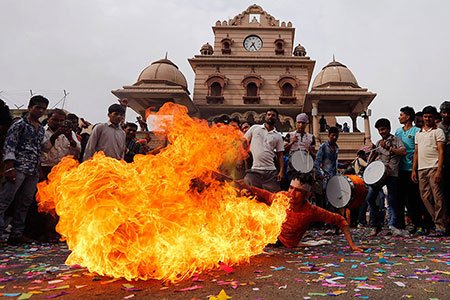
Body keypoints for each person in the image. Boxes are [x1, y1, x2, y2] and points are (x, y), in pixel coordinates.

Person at [238, 177, 362, 252]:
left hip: (283, 243)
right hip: (266, 235)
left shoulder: (311, 211)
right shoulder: (282, 196)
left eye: (298, 191)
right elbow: (264, 194)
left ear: (306, 195)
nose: (292, 193)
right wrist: (247, 187)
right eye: (291, 188)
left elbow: (340, 220)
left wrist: (352, 245)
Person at [0, 95, 49, 245]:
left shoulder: (40, 129)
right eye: (37, 108)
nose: (40, 111)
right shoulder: (19, 124)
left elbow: (39, 150)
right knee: (5, 201)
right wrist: (9, 167)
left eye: (43, 109)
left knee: (25, 202)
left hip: (32, 170)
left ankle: (16, 234)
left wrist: (38, 169)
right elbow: (9, 146)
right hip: (18, 167)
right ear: (29, 108)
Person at [365, 118, 406, 236]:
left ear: (388, 129)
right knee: (370, 198)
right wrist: (371, 157)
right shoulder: (378, 143)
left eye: (383, 129)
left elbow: (403, 152)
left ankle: (393, 226)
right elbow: (373, 157)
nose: (381, 132)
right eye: (379, 130)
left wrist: (389, 148)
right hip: (380, 175)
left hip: (392, 174)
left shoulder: (396, 140)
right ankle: (375, 226)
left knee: (392, 200)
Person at [412, 106, 448, 236]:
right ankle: (439, 222)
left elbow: (441, 151)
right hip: (421, 168)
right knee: (425, 197)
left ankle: (440, 226)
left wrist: (439, 170)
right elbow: (416, 153)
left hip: (434, 167)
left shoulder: (438, 132)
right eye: (425, 116)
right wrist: (414, 170)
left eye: (430, 117)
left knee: (438, 197)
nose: (427, 119)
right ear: (423, 117)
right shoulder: (418, 134)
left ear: (434, 118)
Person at [394, 106, 431, 235]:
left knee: (414, 199)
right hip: (400, 170)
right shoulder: (398, 132)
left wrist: (414, 169)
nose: (399, 117)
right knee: (401, 199)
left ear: (408, 116)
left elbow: (417, 151)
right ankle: (403, 225)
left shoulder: (417, 131)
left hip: (413, 169)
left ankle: (419, 224)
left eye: (401, 114)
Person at [244, 109, 284, 192]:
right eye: (268, 114)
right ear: (265, 116)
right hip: (255, 170)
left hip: (271, 172)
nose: (270, 117)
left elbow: (280, 155)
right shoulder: (254, 128)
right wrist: (244, 155)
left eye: (273, 115)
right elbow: (243, 142)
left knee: (274, 197)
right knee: (248, 191)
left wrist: (281, 171)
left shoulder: (278, 136)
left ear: (277, 118)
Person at [284, 113, 316, 180]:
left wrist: (310, 150)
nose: (301, 125)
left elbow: (314, 155)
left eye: (303, 123)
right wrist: (292, 142)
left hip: (305, 165)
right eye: (299, 122)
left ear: (306, 124)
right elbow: (283, 151)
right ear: (296, 123)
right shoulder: (289, 135)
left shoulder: (311, 137)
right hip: (292, 165)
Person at [438, 101, 450, 218]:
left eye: (448, 113)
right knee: (444, 194)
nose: (446, 115)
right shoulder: (438, 128)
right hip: (442, 165)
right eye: (444, 112)